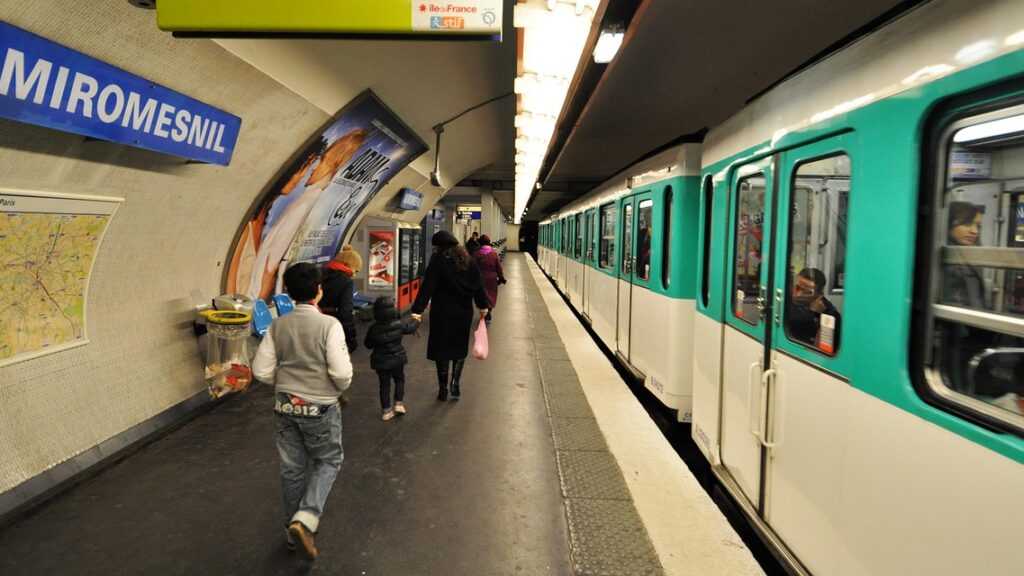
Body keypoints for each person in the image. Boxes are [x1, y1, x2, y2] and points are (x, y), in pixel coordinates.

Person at [251, 262, 353, 561]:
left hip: (283, 405)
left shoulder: (278, 325)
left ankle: (291, 532)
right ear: (319, 291)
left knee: (292, 469)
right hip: (320, 407)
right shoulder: (328, 326)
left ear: (290, 293)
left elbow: (261, 371)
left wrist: (284, 385)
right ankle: (306, 518)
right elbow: (342, 373)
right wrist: (332, 389)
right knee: (328, 461)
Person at [247, 128, 370, 301]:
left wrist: (257, 299)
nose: (314, 168)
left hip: (257, 290)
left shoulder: (306, 202)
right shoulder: (316, 200)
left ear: (333, 164)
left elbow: (271, 262)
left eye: (322, 160)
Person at [410, 230, 489, 401]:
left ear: (439, 247)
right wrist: (483, 306)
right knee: (459, 349)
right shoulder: (470, 261)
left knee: (442, 350)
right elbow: (478, 287)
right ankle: (455, 384)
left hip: (442, 314)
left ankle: (443, 389)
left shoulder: (438, 262)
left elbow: (427, 288)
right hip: (463, 313)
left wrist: (417, 311)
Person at [364, 296, 421, 421]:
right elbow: (411, 327)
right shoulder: (399, 324)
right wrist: (417, 320)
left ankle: (386, 411)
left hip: (380, 361)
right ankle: (399, 404)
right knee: (399, 379)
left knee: (384, 385)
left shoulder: (373, 329)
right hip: (397, 358)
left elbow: (368, 345)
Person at [943, 201, 989, 309]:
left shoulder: (973, 252)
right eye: (967, 224)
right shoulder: (944, 255)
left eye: (978, 225)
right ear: (950, 224)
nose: (975, 231)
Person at [319, 244, 363, 353]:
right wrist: (351, 339)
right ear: (348, 266)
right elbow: (345, 313)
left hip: (315, 323)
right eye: (356, 271)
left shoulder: (319, 274)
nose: (355, 275)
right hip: (334, 324)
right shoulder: (346, 281)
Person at [787, 267, 842, 353]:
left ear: (819, 294)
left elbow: (824, 351)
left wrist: (818, 315)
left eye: (807, 292)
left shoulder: (831, 315)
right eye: (797, 287)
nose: (798, 294)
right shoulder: (786, 300)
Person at [472, 234, 505, 322]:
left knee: (482, 294)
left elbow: (472, 266)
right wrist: (501, 277)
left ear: (480, 243)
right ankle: (489, 311)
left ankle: (484, 310)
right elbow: (499, 267)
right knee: (491, 295)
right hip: (492, 278)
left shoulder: (476, 253)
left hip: (480, 278)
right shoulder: (494, 253)